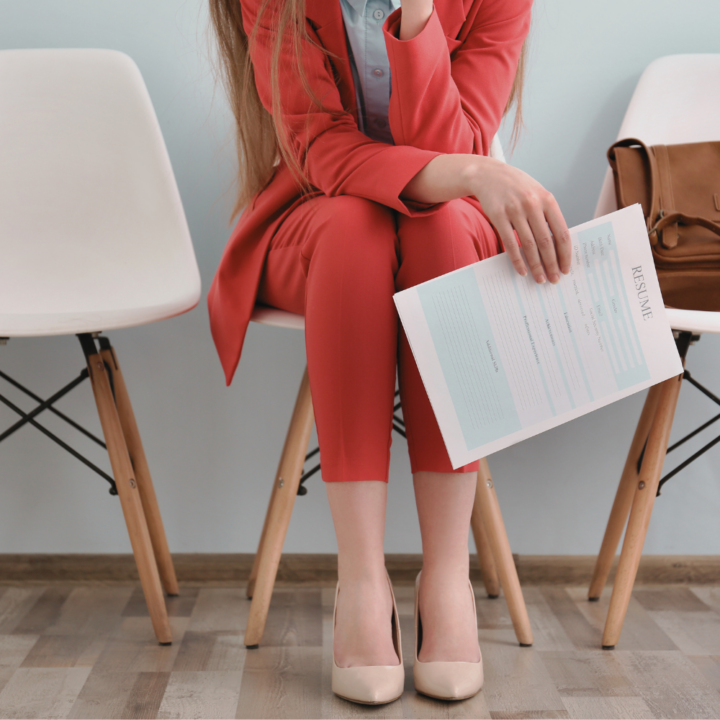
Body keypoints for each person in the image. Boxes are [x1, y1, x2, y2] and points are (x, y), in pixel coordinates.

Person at [207, 0, 571, 705]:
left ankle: (445, 576)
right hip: (315, 219)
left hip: (449, 231)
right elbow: (323, 153)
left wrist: (415, 19)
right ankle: (362, 580)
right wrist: (469, 175)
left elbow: (458, 139)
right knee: (356, 228)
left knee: (441, 234)